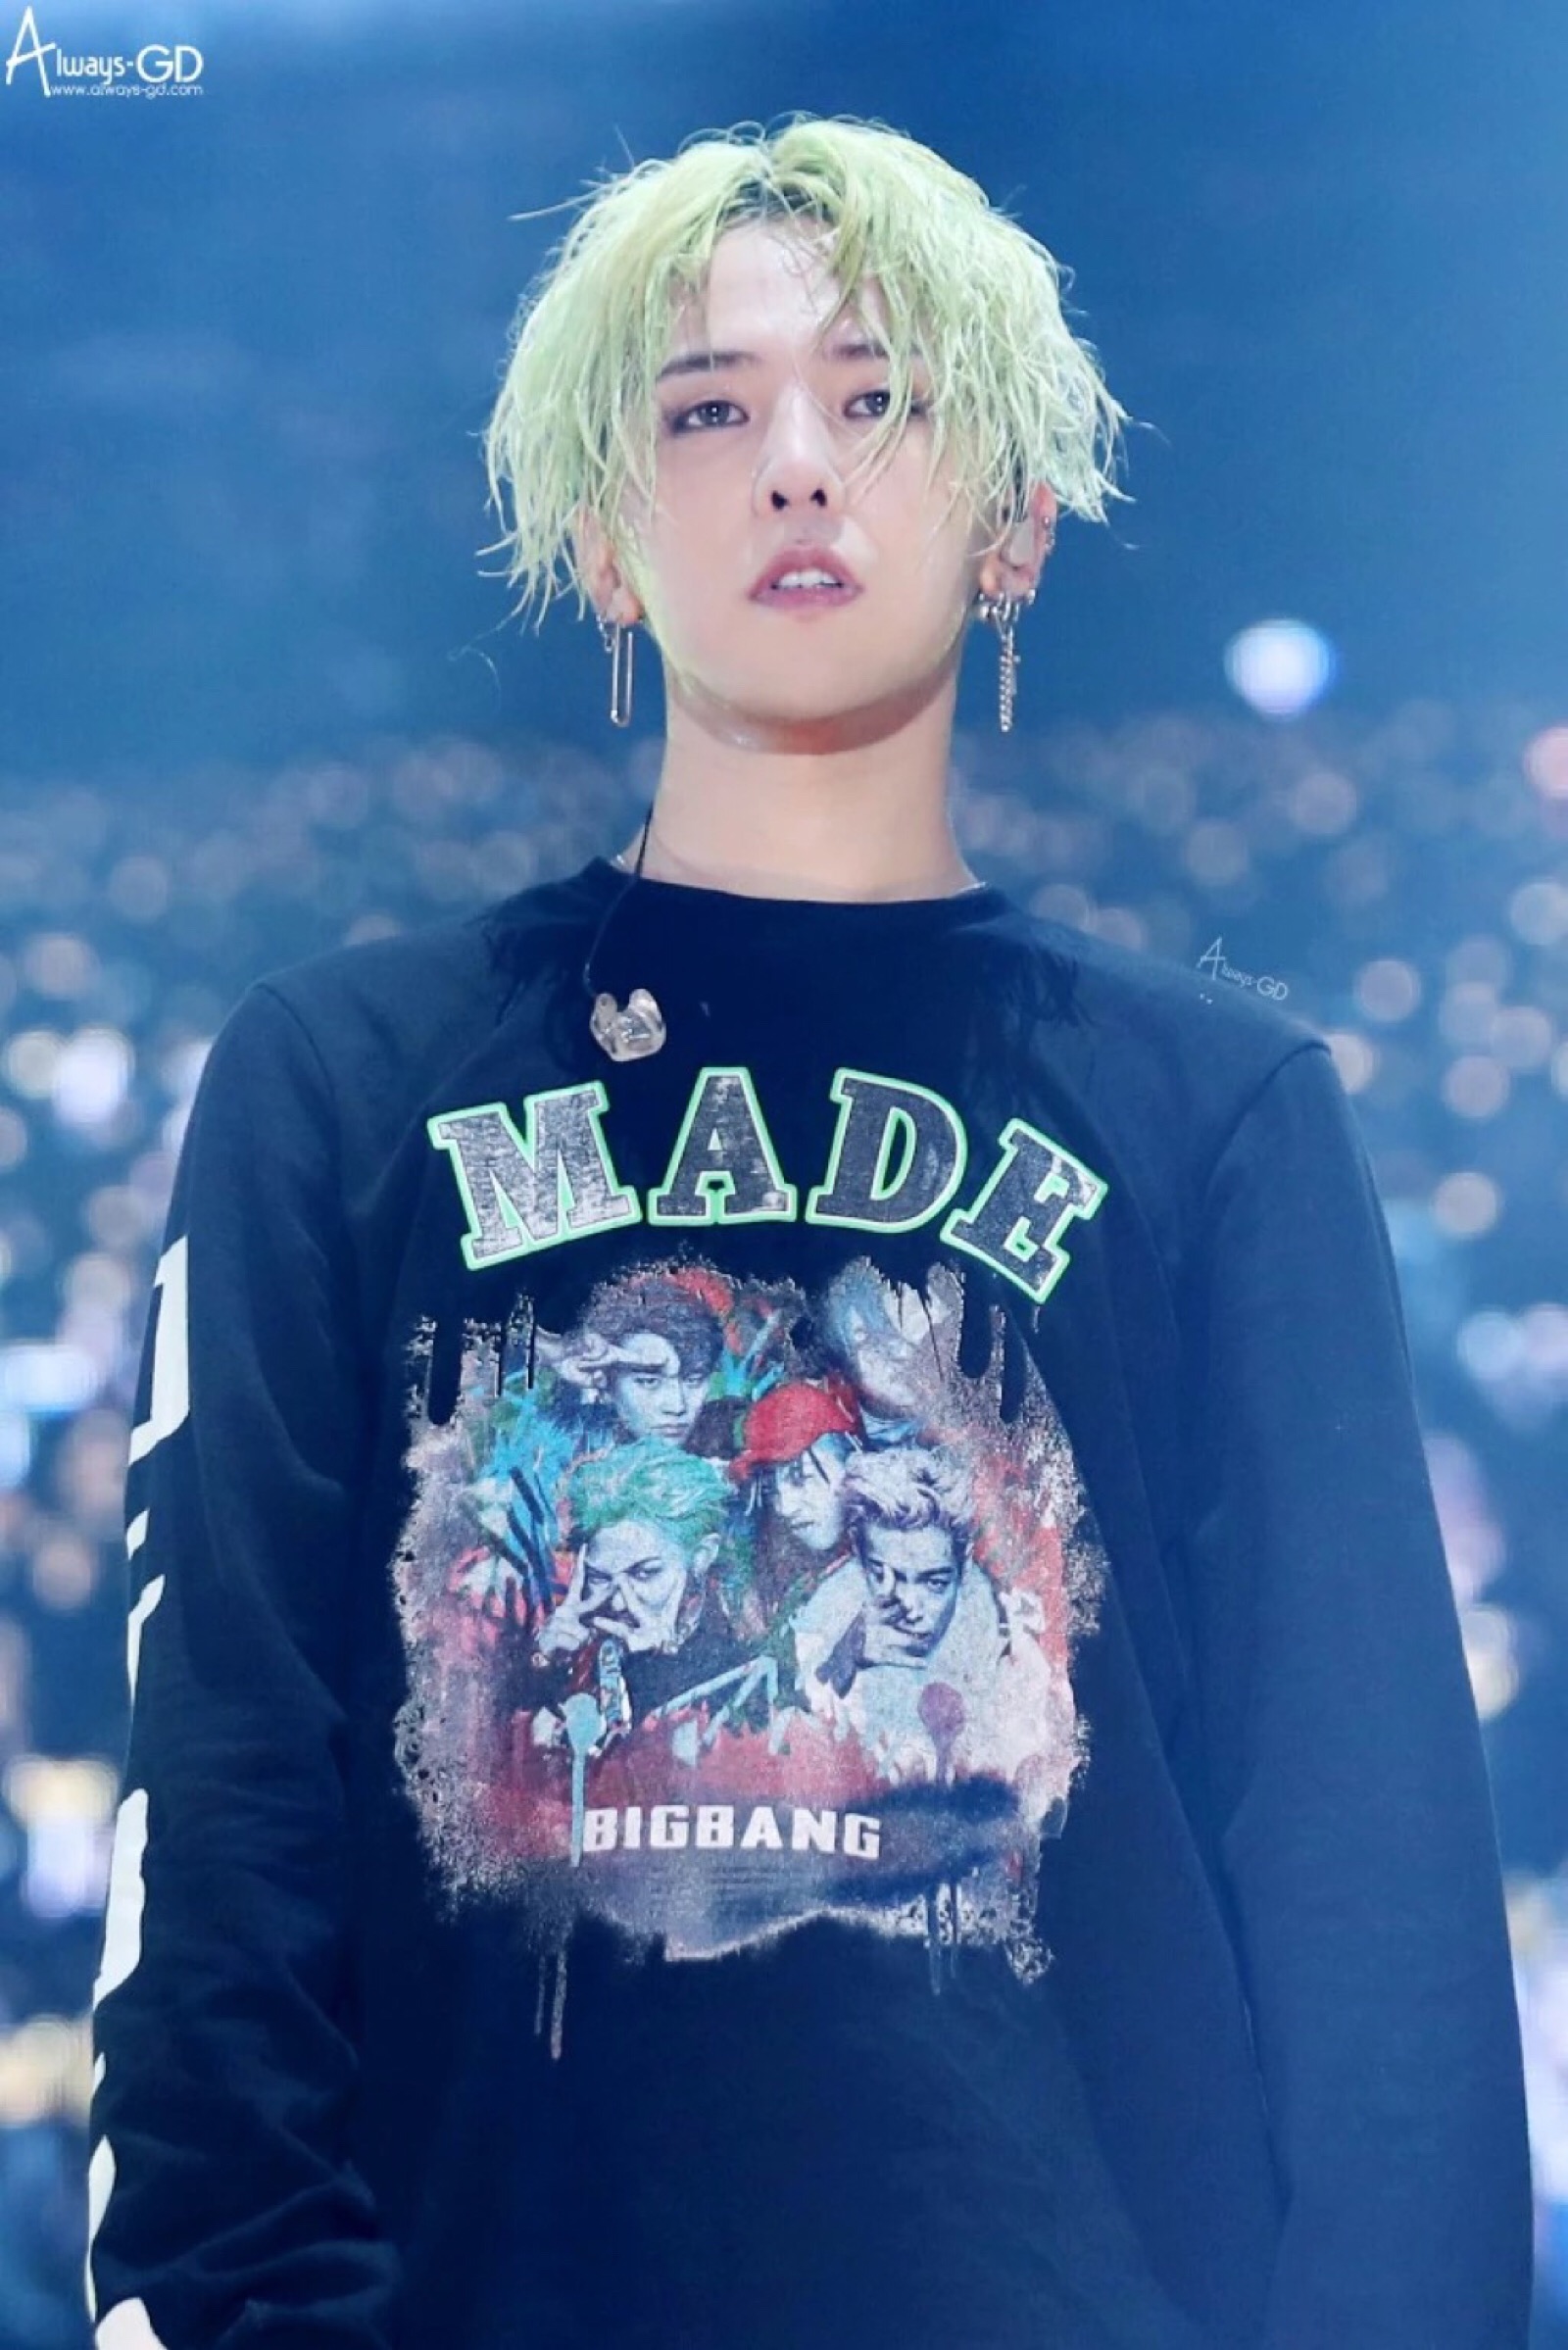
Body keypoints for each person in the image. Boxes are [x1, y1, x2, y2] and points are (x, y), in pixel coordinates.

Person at [84, 110, 1532, 2350]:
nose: (792, 465)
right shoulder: (343, 1086)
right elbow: (222, 1836)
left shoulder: (1214, 1111)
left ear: (1015, 520)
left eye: (878, 399)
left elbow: (1371, 1896)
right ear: (599, 536)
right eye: (704, 409)